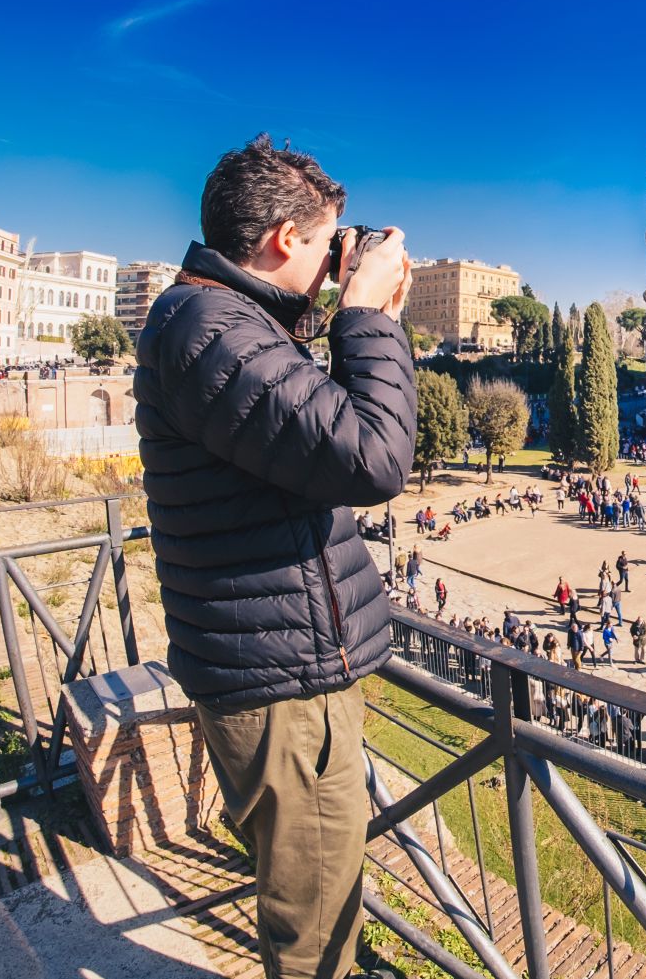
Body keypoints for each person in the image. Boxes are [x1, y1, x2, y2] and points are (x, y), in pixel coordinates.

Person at [138, 136, 415, 979]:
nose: (337, 261)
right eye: (329, 243)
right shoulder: (209, 328)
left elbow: (310, 431)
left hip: (274, 662)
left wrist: (339, 312)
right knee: (315, 934)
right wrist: (366, 316)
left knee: (313, 898)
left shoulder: (218, 322)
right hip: (282, 687)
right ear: (285, 238)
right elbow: (373, 456)